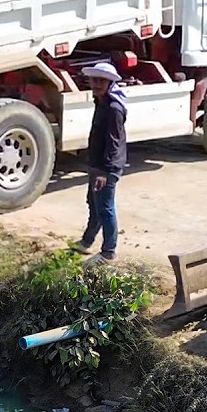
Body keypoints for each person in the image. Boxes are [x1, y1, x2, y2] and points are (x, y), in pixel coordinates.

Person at [70, 61, 128, 265]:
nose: (96, 84)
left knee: (105, 208)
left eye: (101, 80)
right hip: (97, 165)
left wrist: (105, 171)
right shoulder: (101, 102)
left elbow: (114, 143)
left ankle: (108, 252)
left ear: (110, 83)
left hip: (106, 168)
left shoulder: (113, 108)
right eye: (94, 80)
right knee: (94, 206)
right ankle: (87, 242)